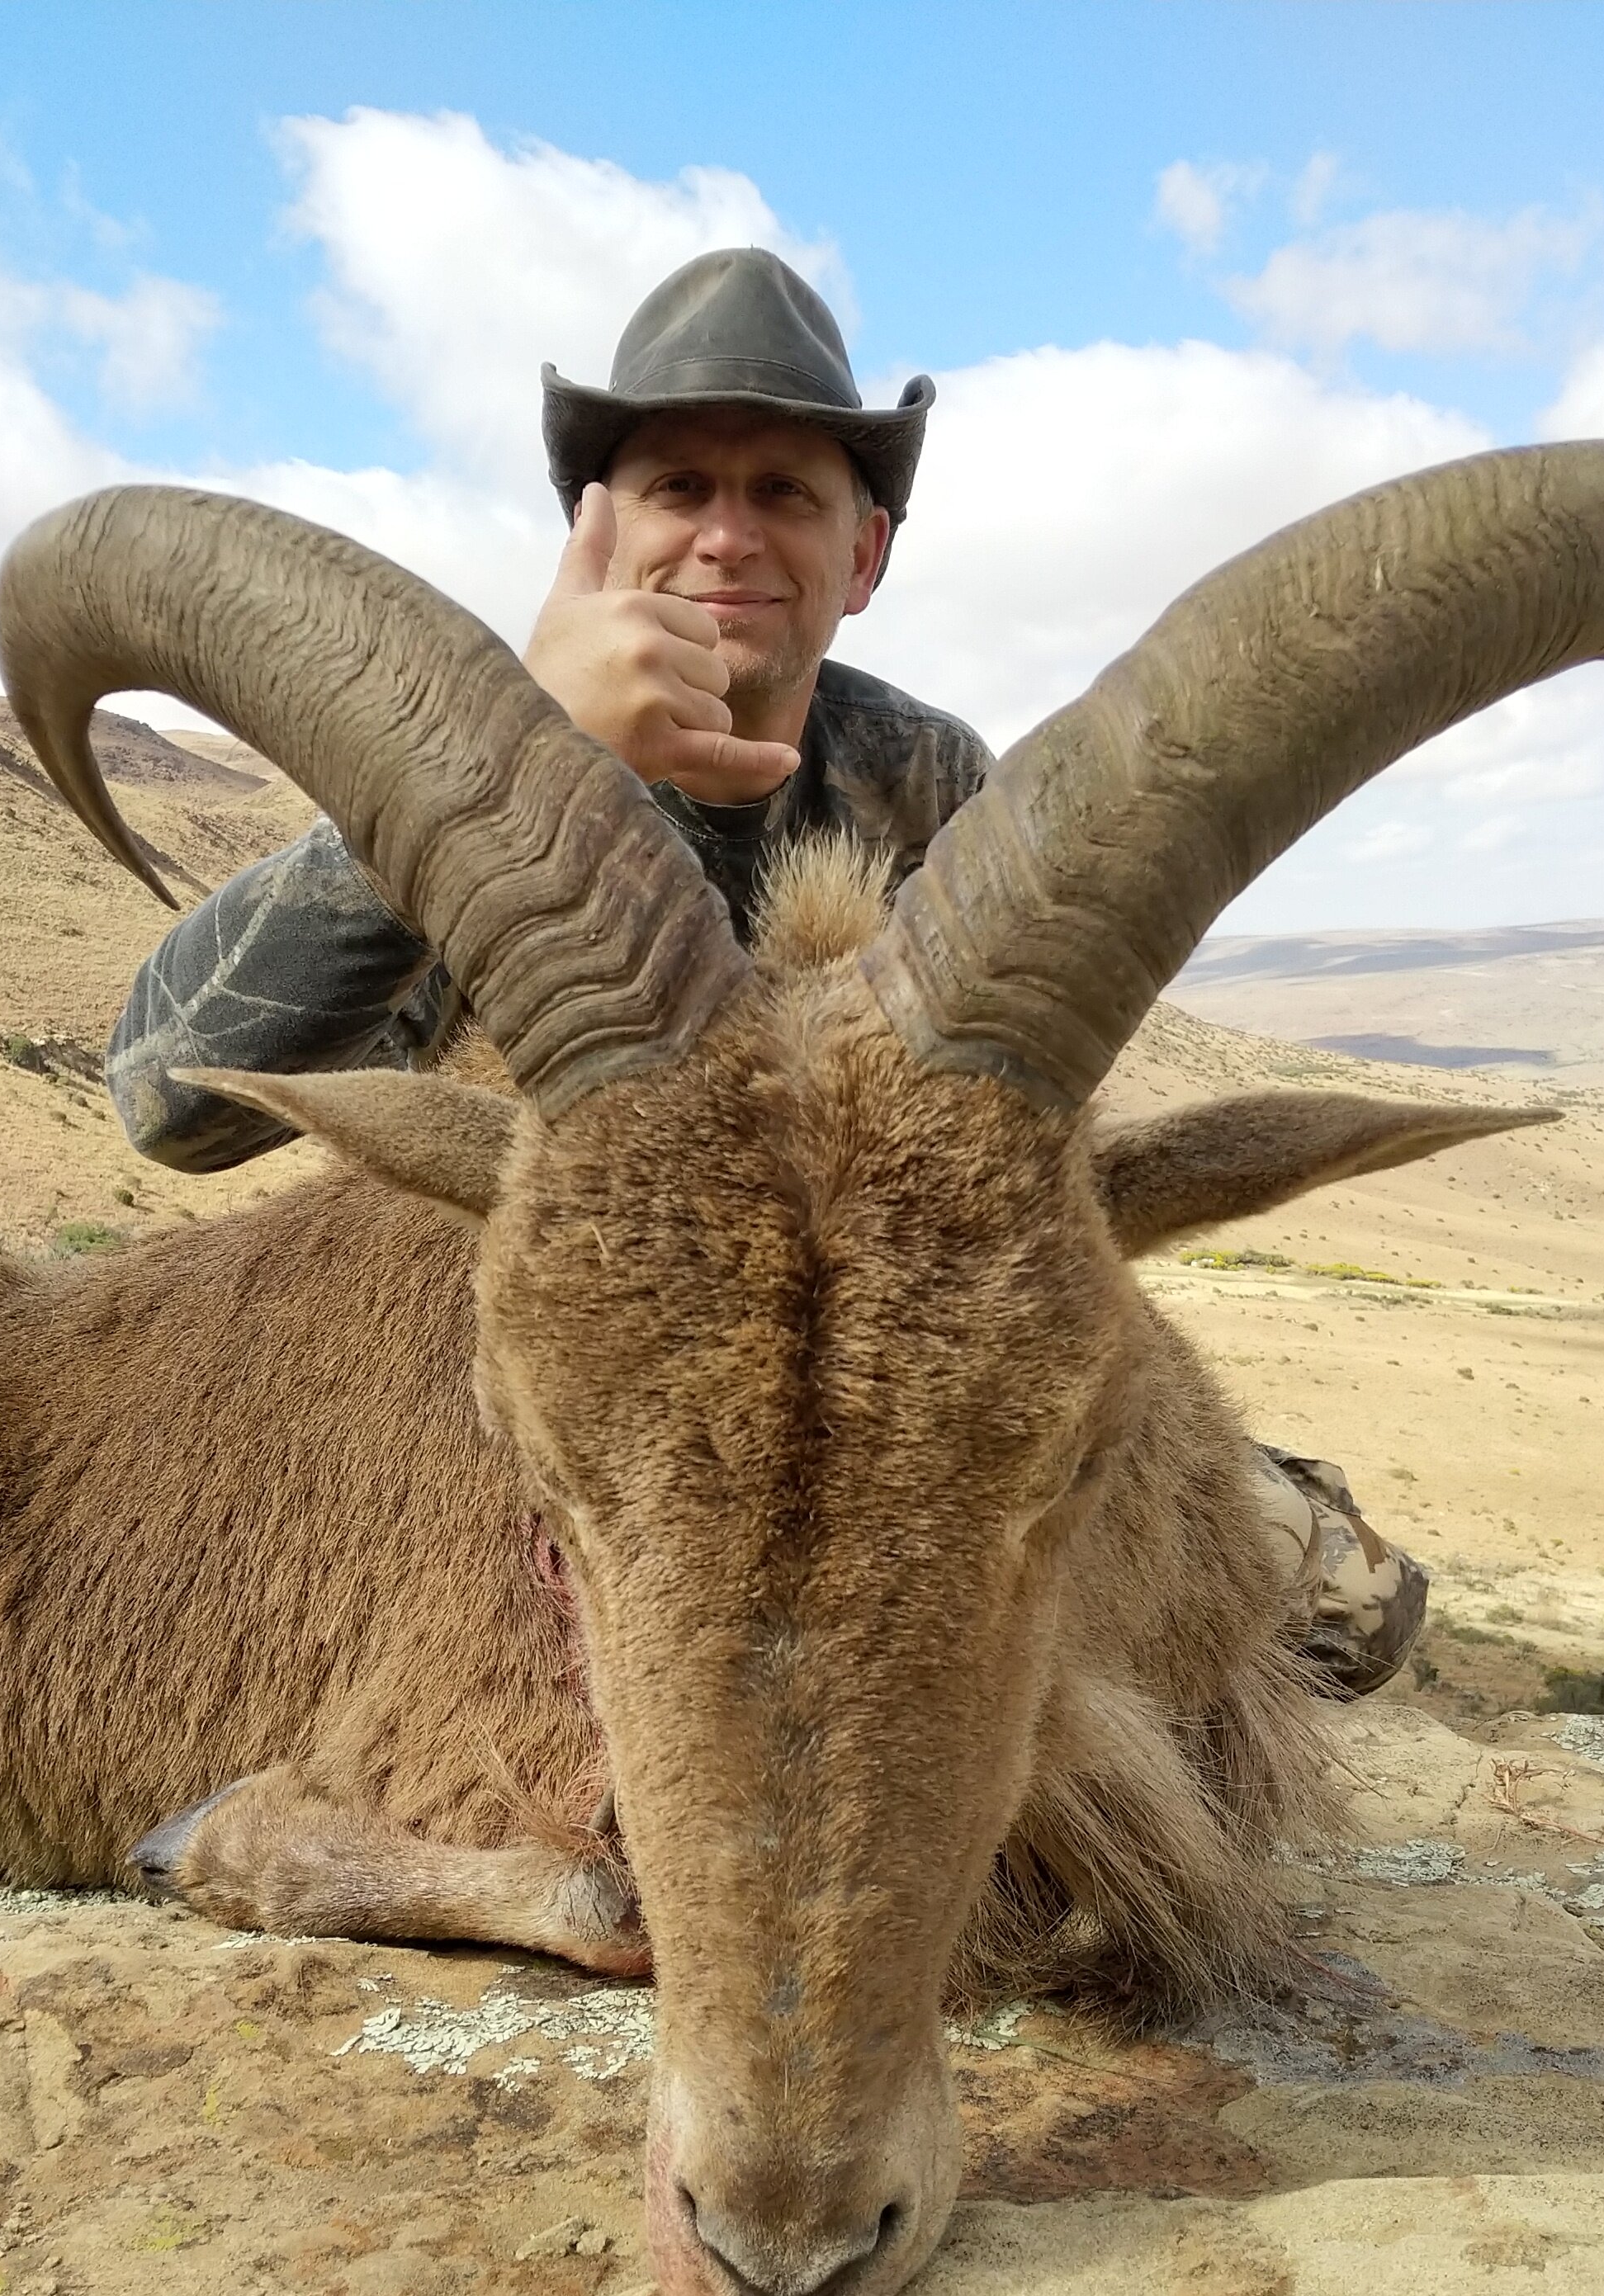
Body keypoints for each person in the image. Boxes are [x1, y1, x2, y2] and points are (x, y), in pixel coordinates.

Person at [104, 247, 1427, 1700]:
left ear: (862, 557)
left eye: (783, 493)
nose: (729, 538)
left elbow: (992, 1189)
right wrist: (506, 763)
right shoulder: (465, 784)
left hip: (857, 1404)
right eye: (680, 488)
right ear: (598, 540)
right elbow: (170, 1109)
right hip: (528, 1381)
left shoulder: (931, 784)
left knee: (1347, 1610)